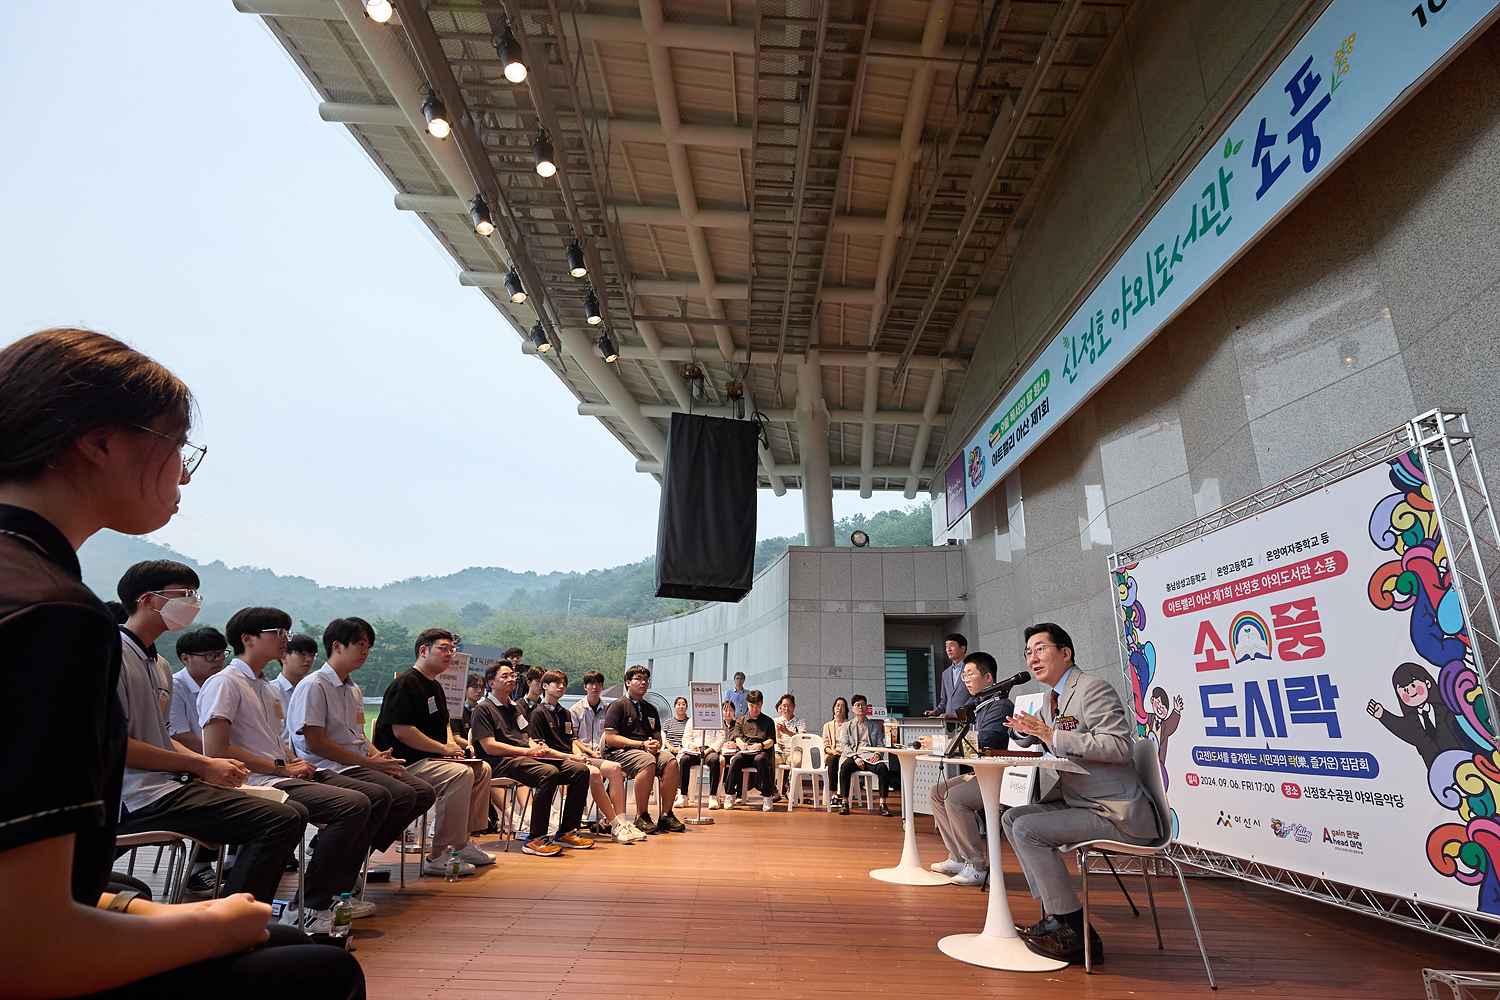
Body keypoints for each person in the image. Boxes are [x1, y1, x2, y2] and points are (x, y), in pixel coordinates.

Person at [0, 327, 362, 997]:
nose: (185, 473)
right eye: (175, 447)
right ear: (99, 440)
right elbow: (25, 949)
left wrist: (136, 909)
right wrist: (215, 925)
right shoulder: (55, 614)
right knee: (318, 970)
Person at [114, 560, 307, 904]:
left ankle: (238, 906)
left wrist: (208, 766)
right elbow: (116, 746)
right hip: (136, 795)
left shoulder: (156, 664)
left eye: (195, 594)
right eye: (184, 595)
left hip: (167, 784)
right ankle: (233, 920)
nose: (194, 603)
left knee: (289, 812)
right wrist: (202, 766)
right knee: (278, 819)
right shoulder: (114, 654)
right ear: (147, 600)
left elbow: (160, 736)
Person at [201, 607, 379, 931]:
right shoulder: (225, 683)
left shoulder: (266, 688)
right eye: (277, 632)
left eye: (287, 632)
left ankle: (321, 896)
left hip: (279, 773)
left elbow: (278, 742)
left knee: (368, 797)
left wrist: (292, 763)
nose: (286, 639)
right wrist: (283, 766)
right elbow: (216, 750)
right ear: (247, 638)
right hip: (251, 779)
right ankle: (310, 904)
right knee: (351, 804)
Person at [1002, 623, 1160, 964]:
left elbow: (1119, 747)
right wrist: (1029, 734)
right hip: (1079, 801)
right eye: (1028, 652)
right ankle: (1053, 913)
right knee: (1012, 817)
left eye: (1040, 648)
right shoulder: (1050, 698)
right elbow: (1049, 737)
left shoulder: (1091, 689)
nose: (1032, 658)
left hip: (1112, 811)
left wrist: (1051, 735)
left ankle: (1074, 930)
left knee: (1029, 830)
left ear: (1065, 652)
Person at [288, 617, 438, 882]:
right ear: (337, 646)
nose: (365, 652)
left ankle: (353, 852)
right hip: (327, 767)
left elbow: (356, 734)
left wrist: (374, 754)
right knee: (394, 794)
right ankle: (340, 859)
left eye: (368, 646)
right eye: (360, 645)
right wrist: (369, 763)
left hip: (356, 764)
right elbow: (315, 743)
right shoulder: (314, 685)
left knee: (423, 792)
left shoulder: (353, 689)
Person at [372, 628, 495, 876]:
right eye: (443, 648)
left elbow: (444, 725)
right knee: (459, 775)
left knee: (482, 769)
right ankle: (440, 853)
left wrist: (454, 748)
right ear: (423, 650)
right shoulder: (405, 683)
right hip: (404, 763)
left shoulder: (436, 687)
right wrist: (442, 748)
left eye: (452, 649)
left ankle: (463, 842)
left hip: (432, 759)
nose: (450, 654)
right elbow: (402, 731)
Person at [469, 663, 593, 856]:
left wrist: (536, 747)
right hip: (499, 762)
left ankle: (567, 831)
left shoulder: (514, 707)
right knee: (548, 773)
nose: (511, 679)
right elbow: (489, 746)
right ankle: (535, 838)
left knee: (580, 771)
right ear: (491, 682)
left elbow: (527, 737)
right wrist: (526, 751)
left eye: (512, 675)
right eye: (505, 676)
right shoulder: (483, 709)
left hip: (523, 757)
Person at [929, 652, 1014, 885]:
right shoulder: (979, 705)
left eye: (970, 674)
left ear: (988, 678)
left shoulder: (1000, 705)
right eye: (963, 675)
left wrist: (947, 744)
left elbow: (985, 740)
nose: (965, 679)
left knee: (954, 798)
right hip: (981, 773)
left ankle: (976, 865)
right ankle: (957, 856)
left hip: (998, 776)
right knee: (937, 791)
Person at [533, 670, 645, 843]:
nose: (562, 686)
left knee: (615, 768)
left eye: (564, 683)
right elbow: (550, 746)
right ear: (545, 686)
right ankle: (615, 826)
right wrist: (578, 756)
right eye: (557, 683)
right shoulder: (541, 712)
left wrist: (582, 755)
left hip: (583, 755)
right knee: (592, 772)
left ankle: (623, 822)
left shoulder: (564, 713)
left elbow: (570, 740)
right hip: (561, 759)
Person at [601, 665, 686, 833]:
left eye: (646, 680)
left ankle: (666, 814)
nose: (643, 683)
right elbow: (610, 738)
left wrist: (655, 745)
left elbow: (657, 737)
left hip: (645, 751)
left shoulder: (651, 709)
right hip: (619, 753)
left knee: (670, 760)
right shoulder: (618, 706)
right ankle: (642, 815)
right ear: (627, 682)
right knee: (646, 761)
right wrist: (640, 745)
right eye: (638, 679)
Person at [570, 670, 631, 833]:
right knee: (594, 772)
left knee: (616, 770)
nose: (595, 687)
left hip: (605, 753)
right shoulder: (575, 710)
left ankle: (613, 819)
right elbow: (573, 739)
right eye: (591, 684)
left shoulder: (609, 708)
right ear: (585, 687)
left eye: (598, 684)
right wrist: (588, 751)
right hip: (584, 754)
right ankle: (588, 815)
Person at [170, 626, 228, 753]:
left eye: (222, 653)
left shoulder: (223, 684)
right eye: (211, 655)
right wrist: (220, 753)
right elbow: (181, 736)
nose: (219, 659)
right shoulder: (174, 688)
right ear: (185, 658)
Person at [836, 695, 891, 816]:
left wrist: (877, 753)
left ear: (867, 707)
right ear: (853, 708)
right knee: (844, 768)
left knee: (883, 769)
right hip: (854, 756)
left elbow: (881, 743)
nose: (860, 707)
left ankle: (883, 804)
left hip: (870, 757)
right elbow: (844, 745)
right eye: (857, 705)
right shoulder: (846, 726)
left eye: (863, 705)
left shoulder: (875, 725)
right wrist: (855, 757)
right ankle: (845, 803)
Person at [723, 690, 778, 811]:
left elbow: (771, 741)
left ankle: (767, 797)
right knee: (736, 759)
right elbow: (737, 737)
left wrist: (761, 745)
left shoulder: (768, 721)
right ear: (747, 704)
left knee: (761, 759)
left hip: (761, 751)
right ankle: (730, 794)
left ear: (762, 704)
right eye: (752, 706)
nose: (755, 709)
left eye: (758, 705)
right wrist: (742, 744)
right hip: (746, 753)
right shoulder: (741, 720)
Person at [676, 699, 726, 809]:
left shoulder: (717, 719)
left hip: (710, 750)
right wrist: (691, 746)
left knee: (714, 760)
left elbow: (721, 738)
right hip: (694, 750)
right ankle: (683, 796)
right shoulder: (691, 720)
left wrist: (710, 749)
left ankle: (712, 796)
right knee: (684, 760)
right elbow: (686, 738)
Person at [271, 634, 318, 717]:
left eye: (312, 655)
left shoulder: (315, 691)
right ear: (283, 656)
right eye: (302, 654)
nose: (309, 659)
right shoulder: (271, 692)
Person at [929, 633, 970, 717]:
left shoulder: (971, 669)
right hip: (949, 723)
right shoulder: (945, 673)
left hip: (968, 720)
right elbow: (944, 700)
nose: (948, 649)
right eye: (946, 646)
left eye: (951, 646)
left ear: (962, 648)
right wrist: (935, 712)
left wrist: (957, 714)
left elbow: (975, 697)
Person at [773, 693, 805, 798]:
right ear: (781, 707)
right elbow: (771, 738)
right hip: (779, 752)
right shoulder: (775, 721)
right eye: (784, 706)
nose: (786, 708)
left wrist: (786, 731)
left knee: (796, 761)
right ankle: (773, 790)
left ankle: (790, 789)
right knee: (768, 760)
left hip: (793, 751)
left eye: (789, 705)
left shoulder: (800, 722)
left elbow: (802, 738)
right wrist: (777, 739)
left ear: (794, 707)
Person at [822, 697, 849, 811]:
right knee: (833, 760)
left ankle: (842, 796)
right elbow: (825, 745)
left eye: (842, 705)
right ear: (833, 709)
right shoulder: (827, 725)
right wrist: (833, 751)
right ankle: (833, 795)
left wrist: (843, 752)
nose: (839, 708)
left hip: (846, 754)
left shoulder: (849, 725)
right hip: (832, 753)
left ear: (846, 709)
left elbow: (852, 744)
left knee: (844, 764)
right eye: (837, 705)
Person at [461, 672, 484, 738]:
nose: (479, 690)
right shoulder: (458, 711)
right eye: (475, 686)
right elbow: (457, 738)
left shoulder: (483, 711)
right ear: (465, 688)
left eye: (481, 687)